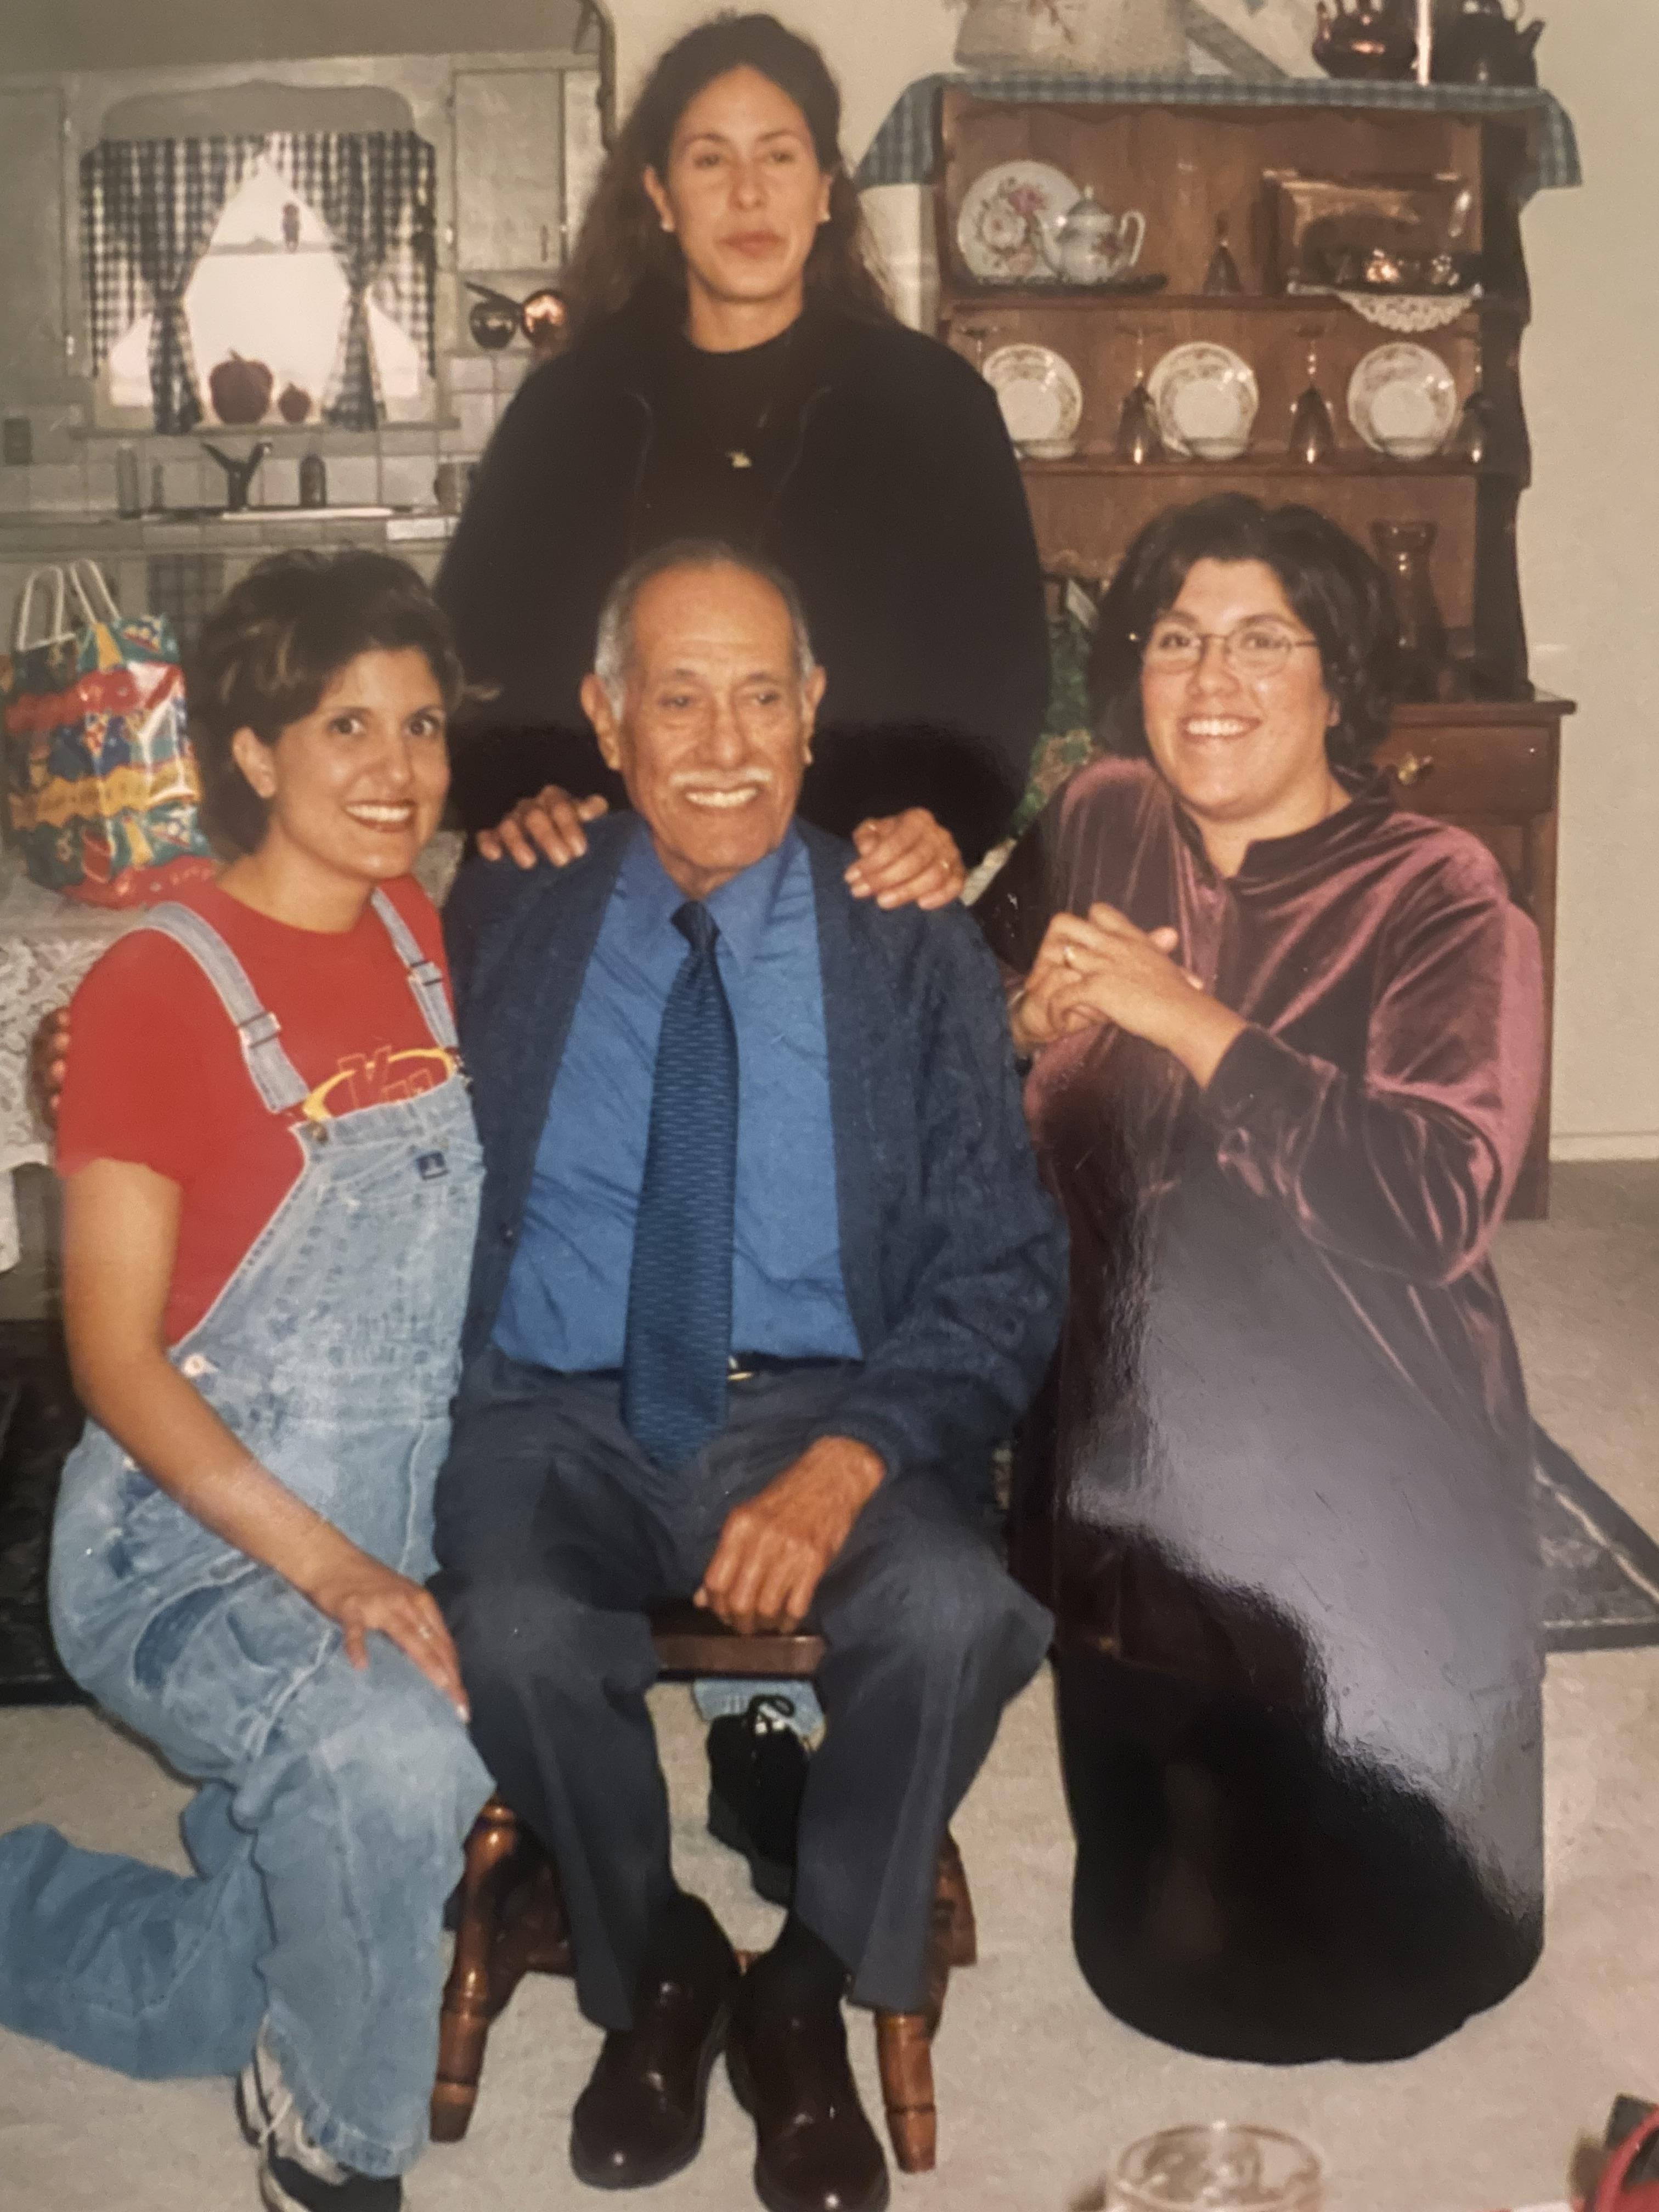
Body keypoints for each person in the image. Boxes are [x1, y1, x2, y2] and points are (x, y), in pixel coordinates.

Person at [433, 540, 1065, 2212]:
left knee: (956, 1613)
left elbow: (1006, 1267)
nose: (724, 744)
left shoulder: (906, 936)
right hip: (560, 1407)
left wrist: (847, 1465)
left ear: (814, 712)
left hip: (819, 1404)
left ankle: (806, 1984)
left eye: (762, 696)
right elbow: (328, 1031)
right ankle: (656, 1955)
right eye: (678, 698)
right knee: (508, 1627)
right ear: (606, 721)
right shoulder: (508, 903)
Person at [975, 493, 1547, 2065]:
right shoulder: (1102, 816)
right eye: (1177, 640)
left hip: (1367, 1479)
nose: (1210, 681)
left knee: (1394, 1964)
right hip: (1129, 1464)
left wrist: (1188, 1019)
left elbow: (1438, 1196)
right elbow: (964, 988)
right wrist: (1017, 1019)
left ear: (1337, 678)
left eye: (1261, 642)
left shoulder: (1440, 889)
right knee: (1159, 1949)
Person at [0, 552, 494, 2211]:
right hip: (183, 1554)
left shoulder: (419, 933)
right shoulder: (153, 988)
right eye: (345, 726)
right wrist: (337, 1571)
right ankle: (330, 2145)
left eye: (421, 725)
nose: (397, 769)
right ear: (254, 753)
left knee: (206, 1997)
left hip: (384, 1521)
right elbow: (113, 1359)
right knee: (402, 1755)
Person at [438, 9, 1048, 907]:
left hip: (852, 888)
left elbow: (1000, 677)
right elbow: (468, 663)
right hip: (604, 885)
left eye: (779, 156)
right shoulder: (566, 411)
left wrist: (940, 821)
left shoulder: (935, 406)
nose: (749, 195)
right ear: (659, 197)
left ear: (826, 189)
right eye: (710, 160)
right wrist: (518, 793)